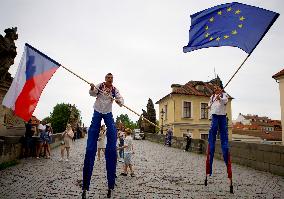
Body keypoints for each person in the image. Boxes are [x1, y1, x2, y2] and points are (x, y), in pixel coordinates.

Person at [82, 73, 124, 199]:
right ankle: (85, 186)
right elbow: (93, 93)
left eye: (111, 79)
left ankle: (111, 183)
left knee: (112, 130)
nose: (110, 80)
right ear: (105, 79)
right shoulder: (100, 85)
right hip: (97, 111)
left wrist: (118, 101)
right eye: (108, 78)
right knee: (92, 137)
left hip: (107, 113)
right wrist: (91, 88)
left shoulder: (114, 90)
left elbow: (121, 100)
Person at [205, 85, 233, 193]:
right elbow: (209, 106)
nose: (216, 90)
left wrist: (220, 98)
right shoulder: (212, 97)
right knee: (212, 133)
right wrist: (208, 106)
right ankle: (209, 170)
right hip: (214, 117)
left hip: (222, 117)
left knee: (224, 137)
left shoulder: (223, 95)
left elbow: (225, 102)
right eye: (215, 89)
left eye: (218, 89)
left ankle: (225, 147)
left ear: (220, 89)